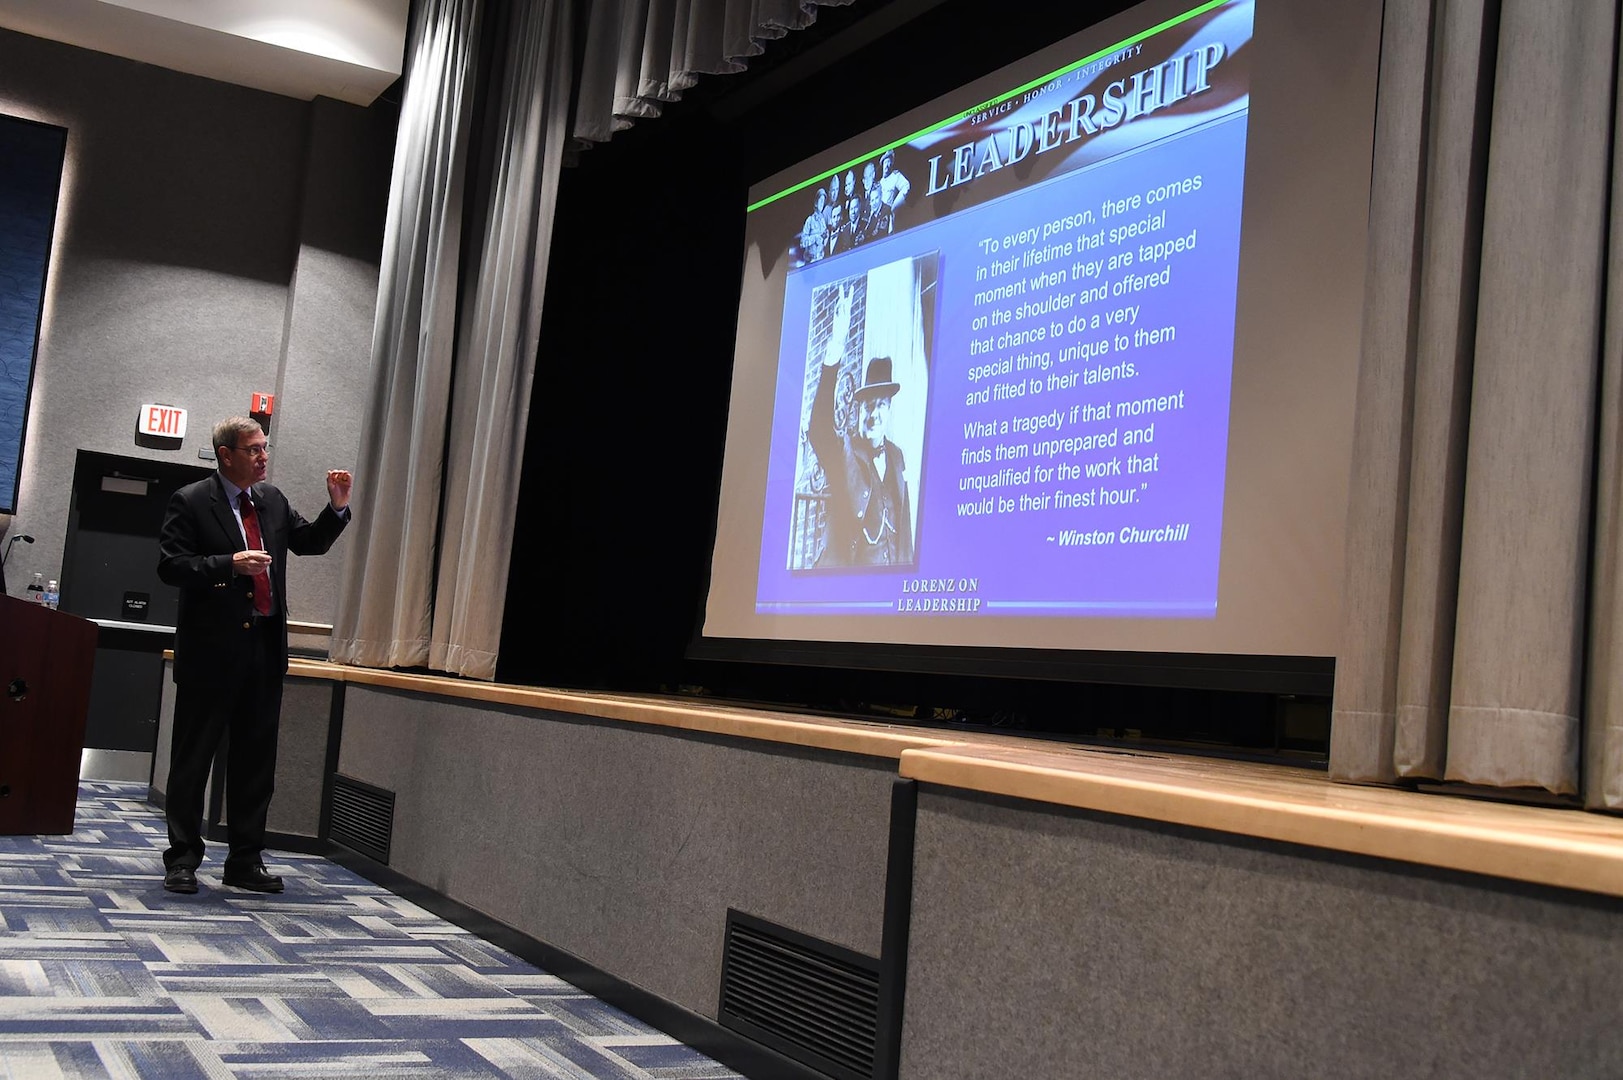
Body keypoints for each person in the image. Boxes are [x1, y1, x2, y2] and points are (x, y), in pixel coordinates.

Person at [156, 417, 352, 894]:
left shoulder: (272, 501)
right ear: (226, 455)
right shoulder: (191, 501)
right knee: (192, 760)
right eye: (254, 450)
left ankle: (245, 860)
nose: (264, 457)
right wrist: (229, 565)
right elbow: (171, 566)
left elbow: (308, 544)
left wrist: (337, 508)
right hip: (210, 656)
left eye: (265, 448)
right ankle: (182, 859)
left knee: (255, 764)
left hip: (263, 653)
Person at [807, 285, 914, 567]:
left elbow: (904, 532)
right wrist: (836, 347)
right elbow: (818, 431)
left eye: (881, 405)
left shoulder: (897, 457)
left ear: (889, 410)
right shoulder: (845, 449)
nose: (874, 415)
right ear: (858, 409)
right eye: (868, 406)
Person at [801, 185, 829, 262]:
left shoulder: (823, 221)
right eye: (820, 201)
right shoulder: (809, 220)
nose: (822, 204)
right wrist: (815, 238)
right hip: (810, 261)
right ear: (816, 202)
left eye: (823, 201)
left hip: (821, 258)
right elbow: (802, 242)